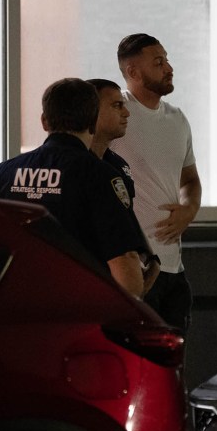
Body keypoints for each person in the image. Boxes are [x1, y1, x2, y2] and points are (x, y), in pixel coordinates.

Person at [0, 77, 146, 298]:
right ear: (93, 122)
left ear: (44, 121)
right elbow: (124, 264)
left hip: (14, 304)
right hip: (76, 309)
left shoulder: (3, 173)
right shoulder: (100, 175)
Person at [113, 33, 201, 332]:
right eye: (159, 62)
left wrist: (189, 210)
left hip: (174, 269)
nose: (169, 68)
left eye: (167, 59)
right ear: (133, 72)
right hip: (134, 270)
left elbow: (190, 180)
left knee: (175, 369)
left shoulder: (177, 119)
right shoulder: (116, 116)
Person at [86, 77, 160, 295]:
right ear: (89, 112)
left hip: (124, 279)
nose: (126, 113)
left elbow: (125, 219)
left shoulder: (117, 166)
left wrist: (147, 256)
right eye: (117, 106)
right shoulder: (74, 167)